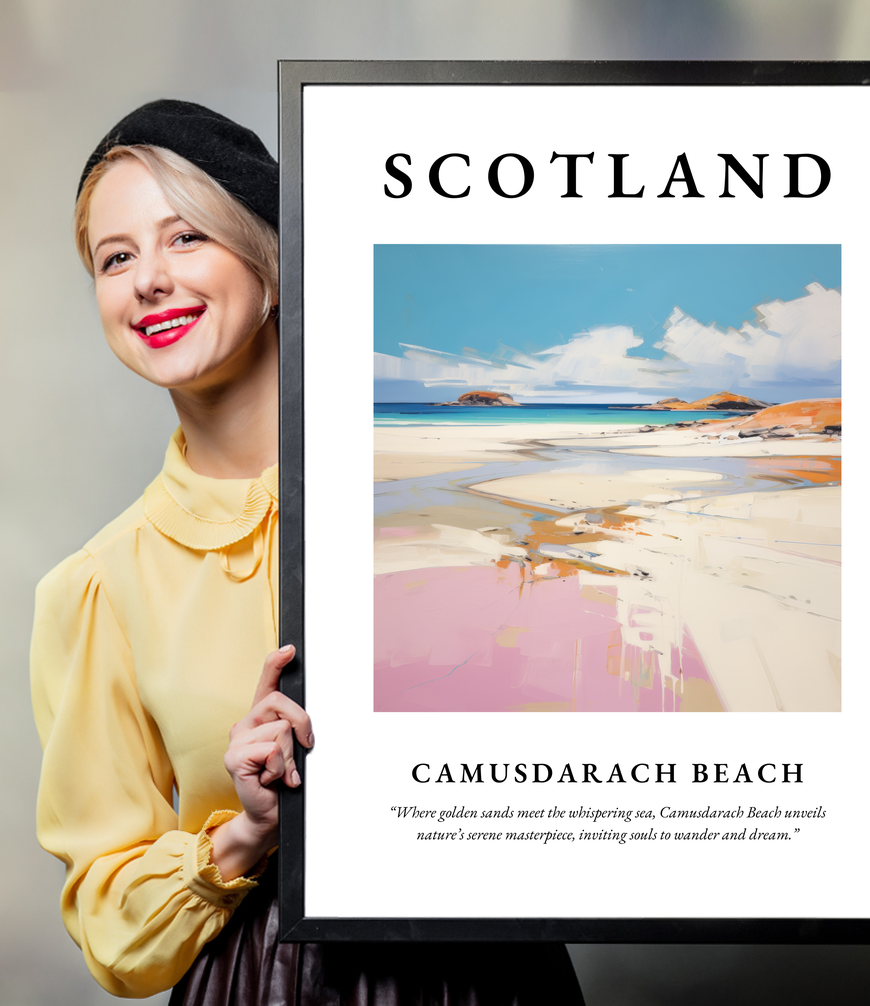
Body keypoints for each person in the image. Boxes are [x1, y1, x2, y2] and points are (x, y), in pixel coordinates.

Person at [30, 100, 585, 1004]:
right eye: (116, 257)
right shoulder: (97, 587)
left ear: (273, 264)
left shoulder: (450, 498)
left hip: (493, 972)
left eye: (186, 239)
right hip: (263, 981)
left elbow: (607, 704)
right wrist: (245, 832)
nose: (148, 281)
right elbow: (110, 924)